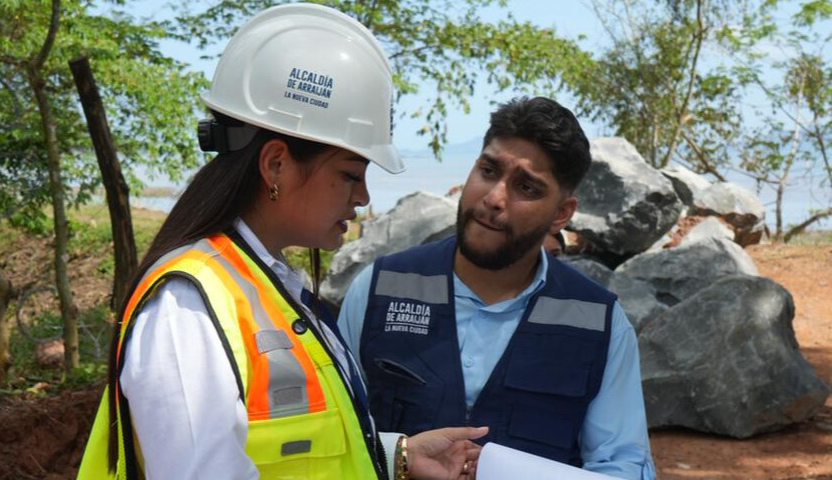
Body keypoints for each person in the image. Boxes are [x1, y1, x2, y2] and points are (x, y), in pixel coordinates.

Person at [77, 4, 486, 479]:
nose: (364, 196)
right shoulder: (187, 310)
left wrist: (396, 455)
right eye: (350, 174)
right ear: (275, 165)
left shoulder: (269, 290)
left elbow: (290, 450)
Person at [338, 97, 656, 479]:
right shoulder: (378, 290)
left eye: (526, 187)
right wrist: (398, 456)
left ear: (561, 213)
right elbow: (331, 438)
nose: (494, 198)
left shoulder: (601, 324)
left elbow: (622, 468)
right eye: (488, 170)